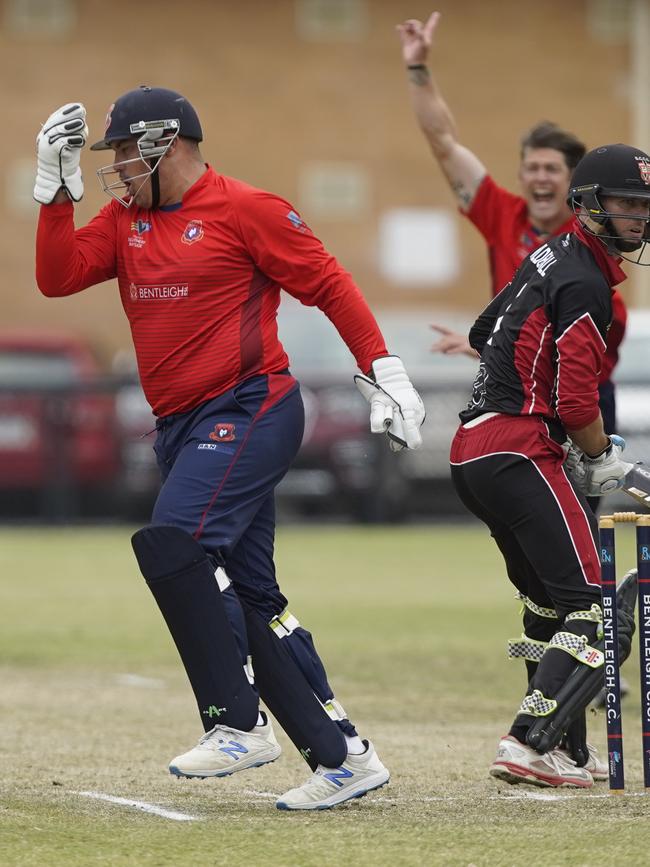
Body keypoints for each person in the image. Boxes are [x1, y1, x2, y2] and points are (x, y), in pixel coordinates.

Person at [33, 87, 425, 811]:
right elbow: (57, 279)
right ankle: (343, 758)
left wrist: (384, 369)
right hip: (181, 426)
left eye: (125, 150)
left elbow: (330, 283)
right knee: (251, 599)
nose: (116, 166)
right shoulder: (125, 221)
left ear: (167, 143)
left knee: (173, 540)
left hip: (252, 406)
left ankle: (236, 720)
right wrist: (55, 196)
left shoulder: (248, 208)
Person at [449, 142, 649, 787]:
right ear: (589, 204)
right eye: (626, 204)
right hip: (518, 448)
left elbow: (485, 331)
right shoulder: (588, 281)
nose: (639, 218)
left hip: (473, 452)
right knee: (593, 609)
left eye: (645, 206)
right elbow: (574, 399)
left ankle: (567, 749)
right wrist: (600, 459)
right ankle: (528, 744)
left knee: (549, 608)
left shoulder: (548, 256)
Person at [396, 12, 627, 447]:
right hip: (514, 394)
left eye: (551, 169)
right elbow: (443, 143)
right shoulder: (503, 215)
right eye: (531, 168)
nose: (540, 178)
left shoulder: (595, 234)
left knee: (580, 512)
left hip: (581, 395)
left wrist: (492, 344)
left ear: (574, 180)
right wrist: (417, 69)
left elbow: (590, 338)